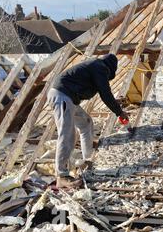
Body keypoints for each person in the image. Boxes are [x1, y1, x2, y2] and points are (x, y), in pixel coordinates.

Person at [47, 53, 129, 188]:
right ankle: (61, 176)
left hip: (68, 98)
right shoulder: (100, 67)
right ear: (110, 68)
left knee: (86, 123)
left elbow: (103, 92)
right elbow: (105, 93)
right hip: (62, 96)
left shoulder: (95, 66)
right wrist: (119, 112)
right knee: (67, 134)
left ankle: (87, 160)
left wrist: (115, 103)